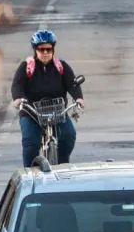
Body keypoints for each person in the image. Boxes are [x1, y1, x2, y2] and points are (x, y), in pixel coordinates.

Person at [11, 29, 84, 166]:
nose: (45, 53)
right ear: (35, 50)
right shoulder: (26, 67)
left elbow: (72, 84)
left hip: (57, 112)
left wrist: (78, 98)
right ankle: (29, 171)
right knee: (30, 142)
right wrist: (18, 98)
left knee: (68, 135)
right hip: (32, 113)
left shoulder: (61, 67)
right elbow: (17, 85)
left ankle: (63, 164)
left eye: (48, 49)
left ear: (53, 50)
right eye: (41, 49)